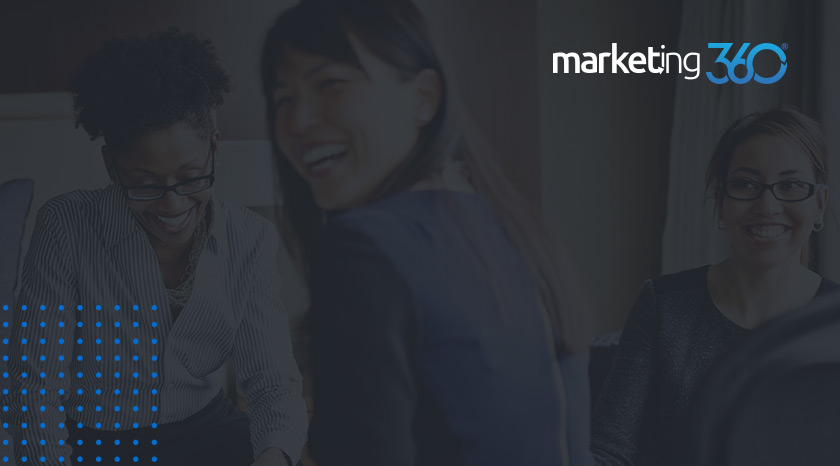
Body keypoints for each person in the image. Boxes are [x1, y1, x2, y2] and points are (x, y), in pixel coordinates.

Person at [260, 1, 594, 465]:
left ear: (424, 98)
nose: (297, 121)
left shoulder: (362, 248)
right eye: (283, 100)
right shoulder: (517, 228)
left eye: (329, 83)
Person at [4, 30, 307, 466]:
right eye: (145, 184)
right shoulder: (66, 226)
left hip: (205, 430)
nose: (172, 205)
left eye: (191, 177)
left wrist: (273, 456)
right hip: (95, 442)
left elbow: (271, 382)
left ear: (214, 147)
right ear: (112, 167)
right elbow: (34, 384)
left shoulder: (250, 238)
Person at [591, 107, 839, 466]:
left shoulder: (833, 323)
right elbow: (609, 449)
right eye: (746, 184)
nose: (767, 205)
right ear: (720, 202)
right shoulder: (663, 305)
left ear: (819, 204)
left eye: (791, 185)